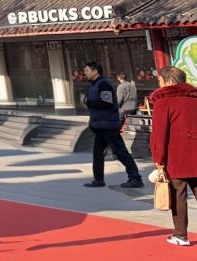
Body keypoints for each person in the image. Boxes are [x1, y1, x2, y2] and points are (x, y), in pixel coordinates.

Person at [149, 65, 197, 246]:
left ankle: (181, 235)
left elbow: (159, 134)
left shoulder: (164, 101)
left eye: (160, 80)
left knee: (178, 194)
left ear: (168, 81)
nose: (159, 84)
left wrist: (158, 158)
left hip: (176, 155)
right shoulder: (194, 99)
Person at [82, 60, 143, 189]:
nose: (85, 73)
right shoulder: (94, 85)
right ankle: (98, 180)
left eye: (87, 70)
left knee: (120, 151)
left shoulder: (103, 84)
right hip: (99, 125)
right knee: (97, 153)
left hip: (108, 125)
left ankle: (135, 178)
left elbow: (107, 102)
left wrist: (89, 102)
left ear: (95, 71)